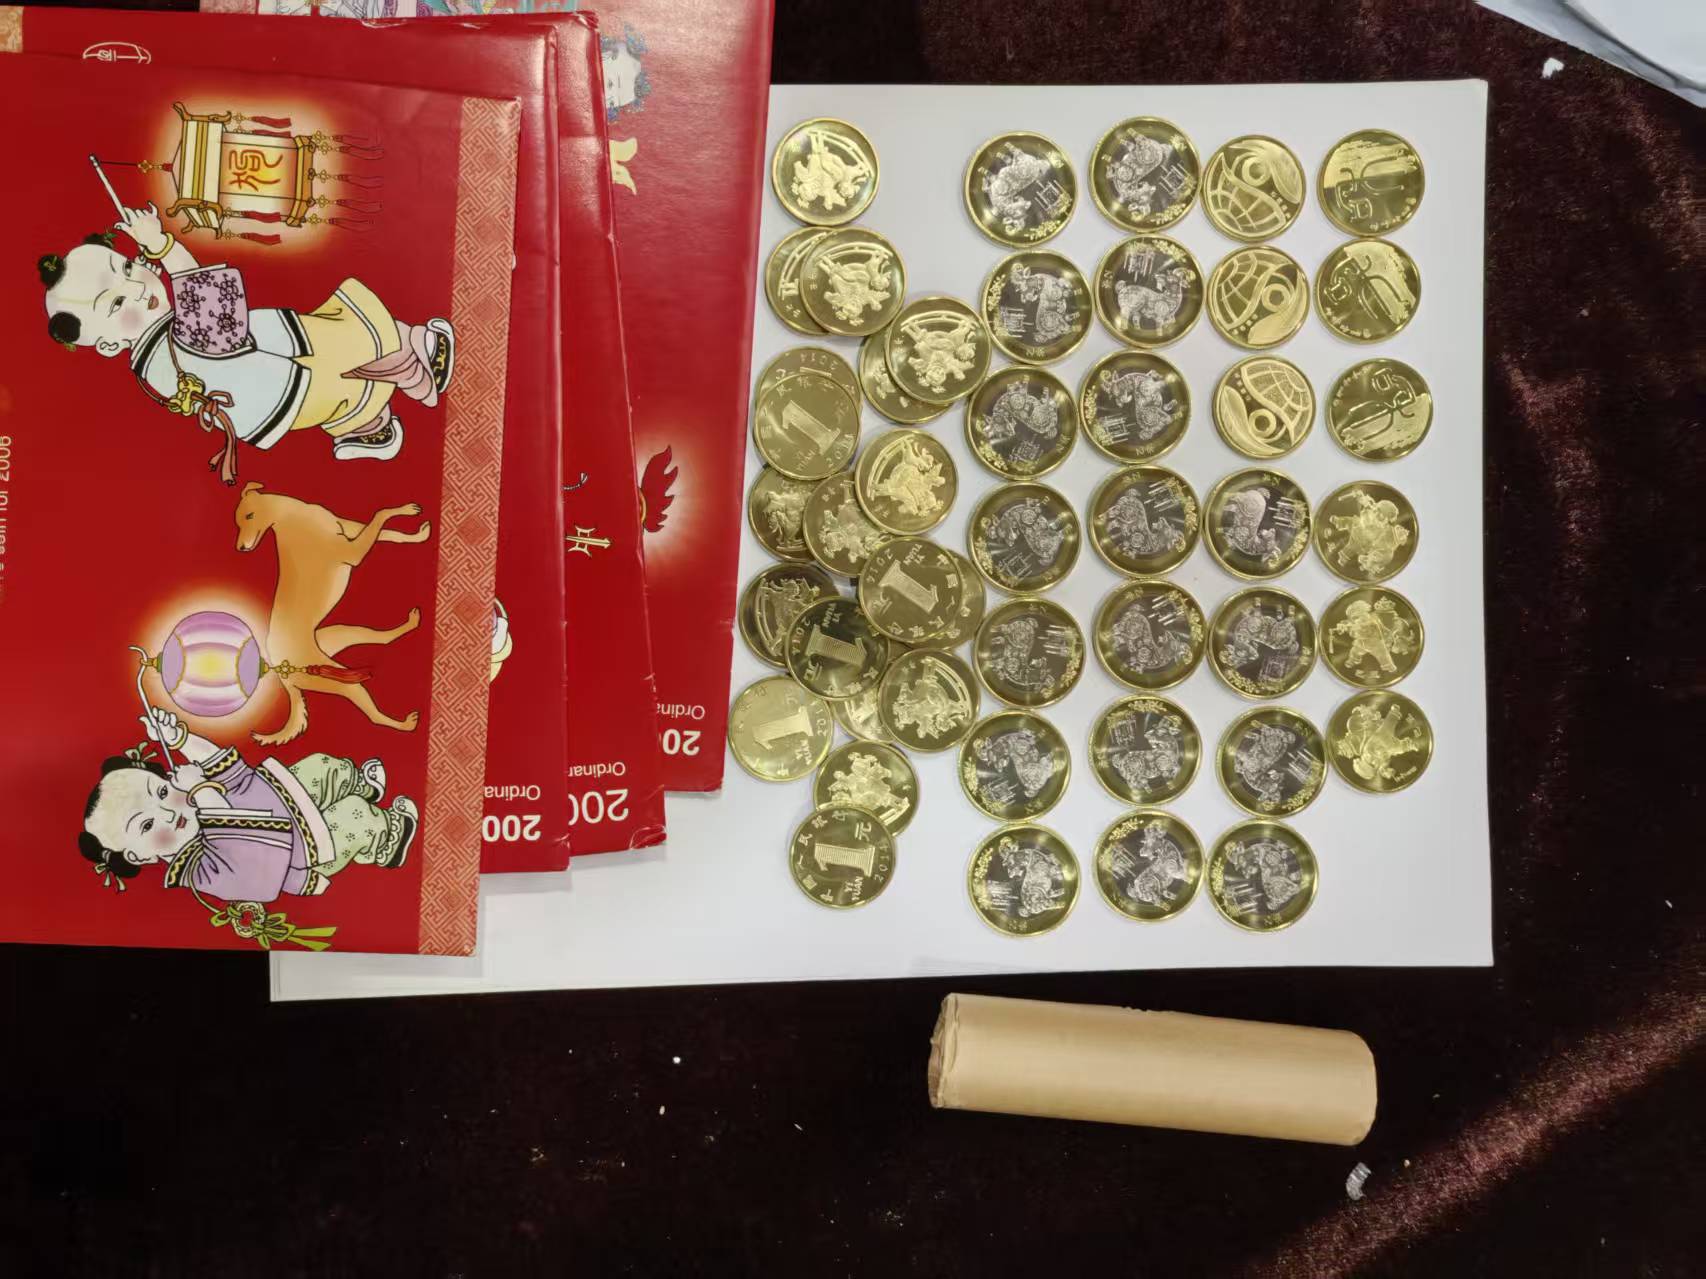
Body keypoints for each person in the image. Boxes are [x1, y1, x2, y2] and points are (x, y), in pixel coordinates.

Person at [38, 202, 454, 481]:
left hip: (278, 405)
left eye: (128, 269)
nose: (136, 288)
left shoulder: (151, 369)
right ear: (109, 344)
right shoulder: (176, 342)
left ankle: (368, 430)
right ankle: (420, 359)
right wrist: (162, 245)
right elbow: (203, 290)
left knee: (324, 333)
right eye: (115, 304)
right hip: (303, 381)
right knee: (358, 332)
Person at [78, 706, 417, 904]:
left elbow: (228, 771)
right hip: (306, 852)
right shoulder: (199, 869)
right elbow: (247, 859)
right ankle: (385, 838)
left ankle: (361, 786)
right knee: (353, 815)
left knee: (322, 766)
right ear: (139, 856)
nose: (168, 813)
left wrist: (180, 740)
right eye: (147, 825)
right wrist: (200, 789)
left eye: (163, 792)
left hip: (286, 797)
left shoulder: (199, 801)